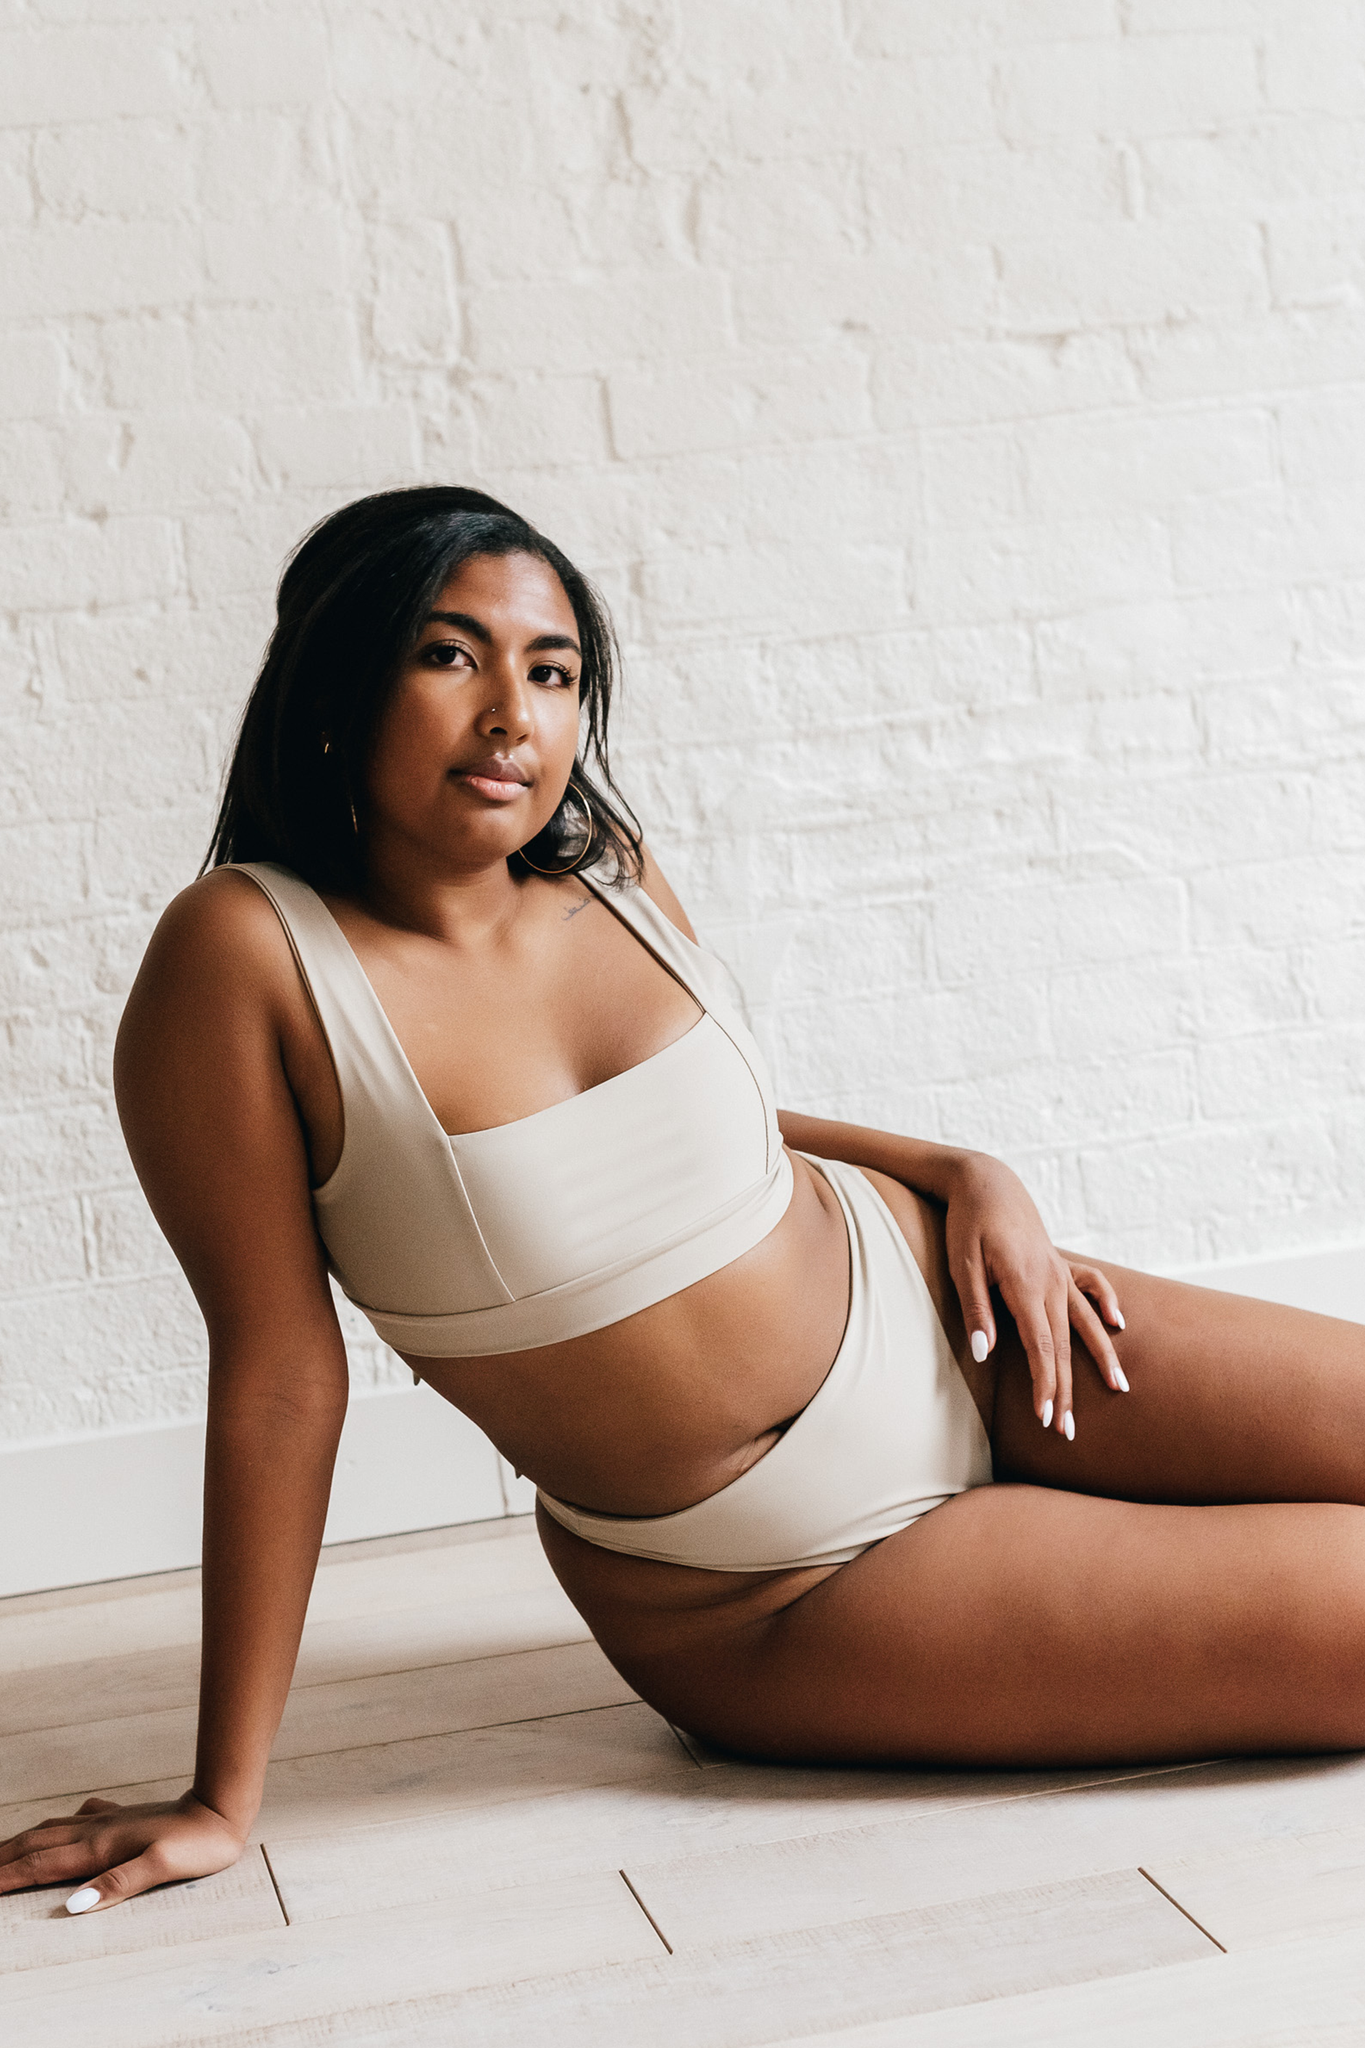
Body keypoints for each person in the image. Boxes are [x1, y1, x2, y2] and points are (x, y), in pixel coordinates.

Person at [5, 485, 1363, 1920]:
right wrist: (227, 1795)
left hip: (958, 1312)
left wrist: (960, 1171)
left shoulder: (608, 870)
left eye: (552, 669)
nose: (512, 717)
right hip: (788, 1571)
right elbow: (280, 1377)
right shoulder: (245, 960)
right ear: (340, 679)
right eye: (449, 655)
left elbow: (706, 1136)